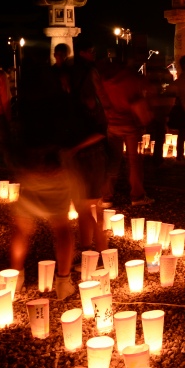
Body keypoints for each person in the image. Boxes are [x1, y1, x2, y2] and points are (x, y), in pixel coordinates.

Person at [7, 53, 79, 301]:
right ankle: (62, 282)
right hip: (54, 166)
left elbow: (15, 133)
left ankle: (14, 279)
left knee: (21, 227)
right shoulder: (58, 100)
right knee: (60, 225)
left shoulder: (24, 101)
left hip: (29, 168)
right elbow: (69, 130)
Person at [63, 39, 110, 254]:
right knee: (88, 209)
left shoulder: (78, 103)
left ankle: (98, 251)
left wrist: (72, 149)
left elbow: (99, 132)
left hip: (85, 157)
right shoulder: (90, 101)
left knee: (85, 209)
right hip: (93, 157)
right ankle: (89, 251)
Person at [99, 56, 153, 206]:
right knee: (133, 161)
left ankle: (106, 197)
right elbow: (139, 98)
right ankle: (137, 196)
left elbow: (103, 100)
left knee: (113, 161)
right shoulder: (131, 79)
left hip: (113, 125)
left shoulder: (105, 80)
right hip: (130, 125)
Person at [167, 55, 185, 161]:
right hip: (183, 110)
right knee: (183, 132)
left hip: (182, 108)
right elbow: (184, 96)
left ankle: (180, 155)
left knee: (183, 133)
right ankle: (180, 156)